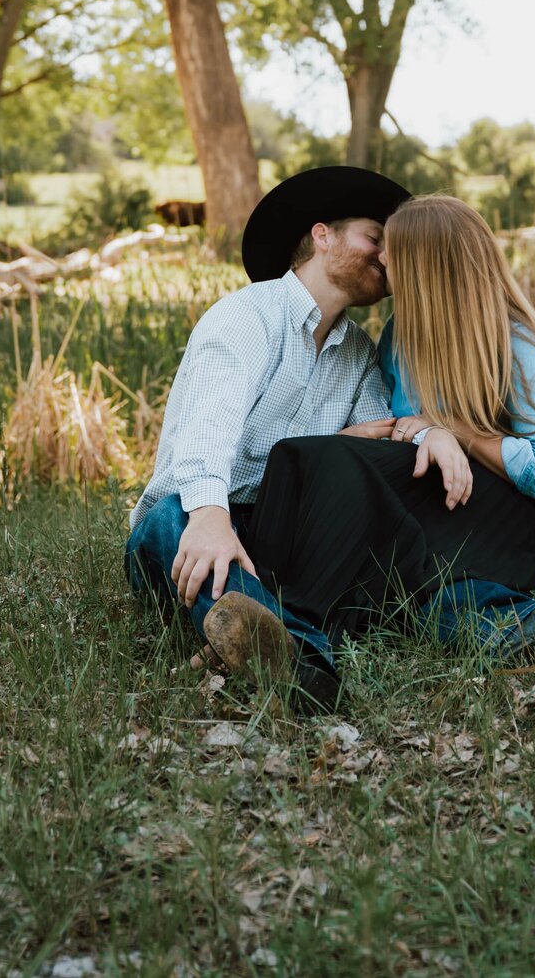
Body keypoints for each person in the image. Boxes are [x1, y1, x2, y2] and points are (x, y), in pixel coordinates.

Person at [240, 195, 535, 661]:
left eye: (394, 248)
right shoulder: (397, 339)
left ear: (429, 264)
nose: (381, 256)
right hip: (447, 501)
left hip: (529, 514)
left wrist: (456, 431)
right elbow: (401, 435)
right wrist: (422, 437)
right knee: (312, 465)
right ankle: (525, 628)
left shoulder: (514, 341)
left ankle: (294, 627)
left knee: (351, 486)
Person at [124, 165, 414, 706]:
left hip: (286, 533)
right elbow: (211, 423)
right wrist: (212, 516)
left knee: (391, 552)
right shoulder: (246, 316)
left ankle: (525, 623)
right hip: (193, 518)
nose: (384, 256)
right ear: (322, 234)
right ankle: (304, 666)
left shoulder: (358, 354)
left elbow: (380, 449)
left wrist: (408, 437)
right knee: (173, 520)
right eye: (374, 238)